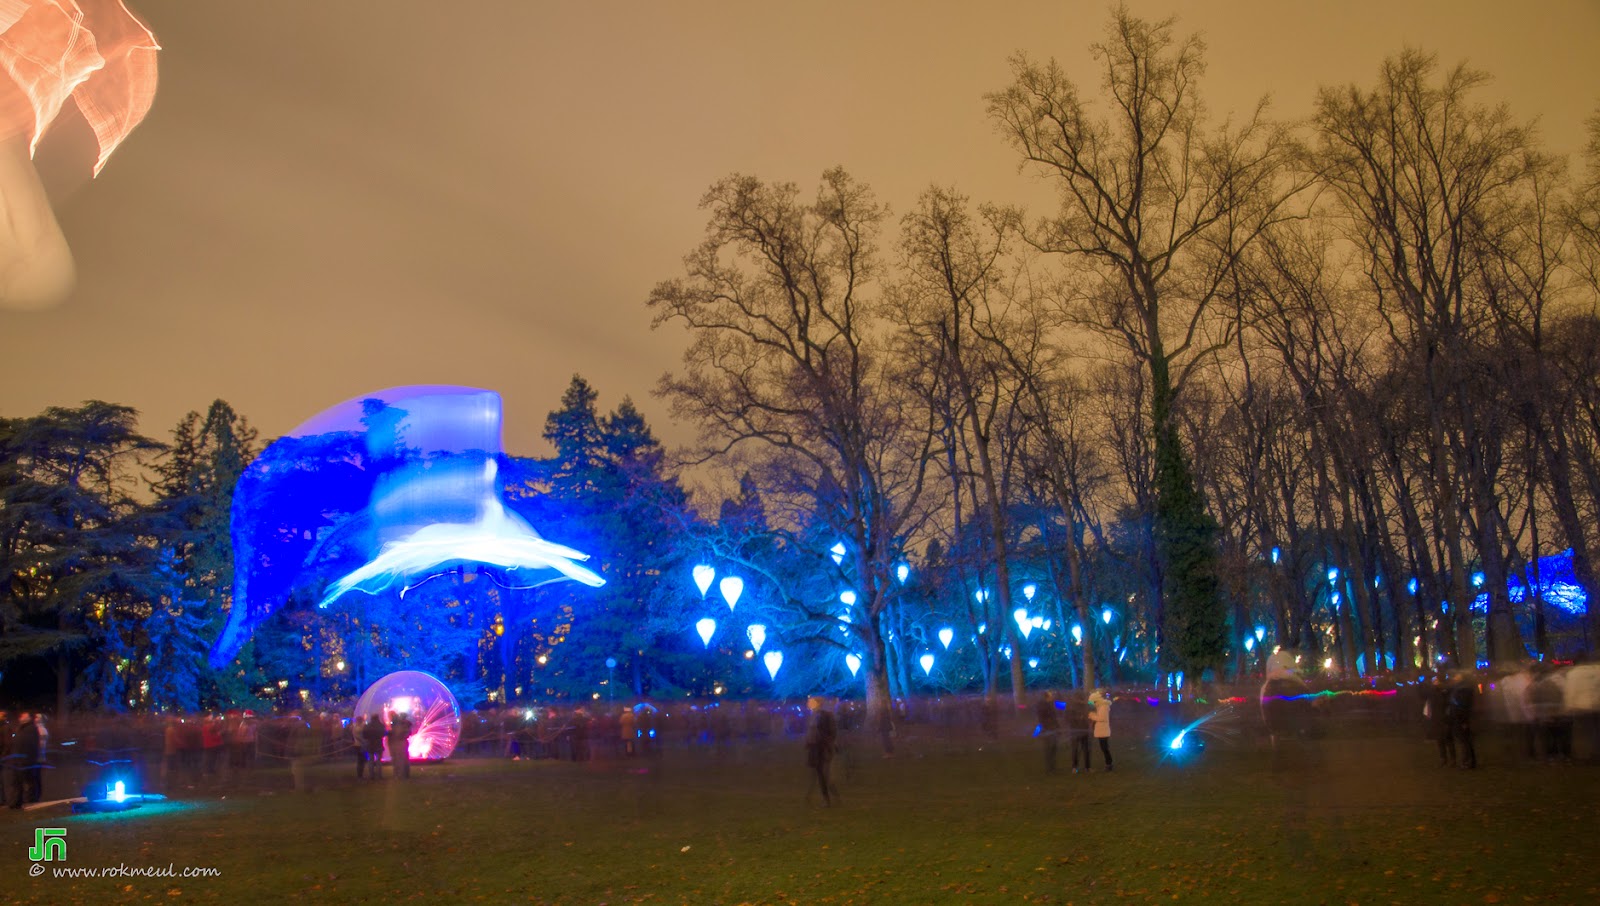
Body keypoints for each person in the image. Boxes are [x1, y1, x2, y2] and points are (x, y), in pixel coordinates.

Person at [804, 696, 838, 806]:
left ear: (818, 703)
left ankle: (828, 798)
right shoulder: (813, 715)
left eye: (811, 701)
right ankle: (825, 797)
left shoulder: (824, 715)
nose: (808, 703)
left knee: (822, 774)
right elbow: (812, 731)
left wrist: (827, 744)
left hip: (821, 747)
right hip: (814, 747)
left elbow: (830, 732)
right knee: (818, 773)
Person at [1424, 674, 1455, 767]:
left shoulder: (1445, 692)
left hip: (1444, 718)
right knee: (1440, 740)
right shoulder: (1432, 692)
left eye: (1436, 681)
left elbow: (1447, 704)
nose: (1435, 683)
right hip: (1437, 718)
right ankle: (1443, 758)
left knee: (1448, 739)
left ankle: (1452, 759)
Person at [1064, 692, 1093, 773]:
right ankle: (1081, 767)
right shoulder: (1072, 706)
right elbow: (1067, 718)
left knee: (1082, 750)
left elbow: (1066, 718)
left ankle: (1082, 767)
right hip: (1077, 730)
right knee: (1079, 750)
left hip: (1080, 730)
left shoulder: (1083, 705)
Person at [1088, 688, 1113, 772]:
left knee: (1104, 748)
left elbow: (1102, 718)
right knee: (1104, 748)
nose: (1093, 704)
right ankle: (1109, 764)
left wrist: (1092, 716)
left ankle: (1109, 764)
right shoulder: (1101, 706)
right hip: (1102, 730)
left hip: (1103, 730)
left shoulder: (1103, 707)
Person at [1035, 691, 1060, 774]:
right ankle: (1050, 768)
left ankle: (1052, 767)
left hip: (1052, 729)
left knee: (1053, 749)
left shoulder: (1050, 704)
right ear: (1047, 697)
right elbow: (1043, 718)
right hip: (1048, 729)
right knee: (1049, 749)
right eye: (1051, 695)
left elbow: (1054, 717)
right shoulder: (1043, 706)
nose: (1052, 696)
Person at [388, 711, 414, 779]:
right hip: (402, 742)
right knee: (403, 759)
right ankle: (404, 774)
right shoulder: (406, 725)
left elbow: (398, 734)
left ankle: (400, 774)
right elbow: (409, 733)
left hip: (400, 743)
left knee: (400, 759)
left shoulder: (400, 725)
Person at [362, 715, 387, 780]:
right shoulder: (380, 726)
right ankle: (379, 775)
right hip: (378, 744)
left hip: (370, 744)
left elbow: (364, 735)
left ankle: (371, 775)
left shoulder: (368, 726)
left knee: (371, 760)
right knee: (379, 761)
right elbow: (384, 733)